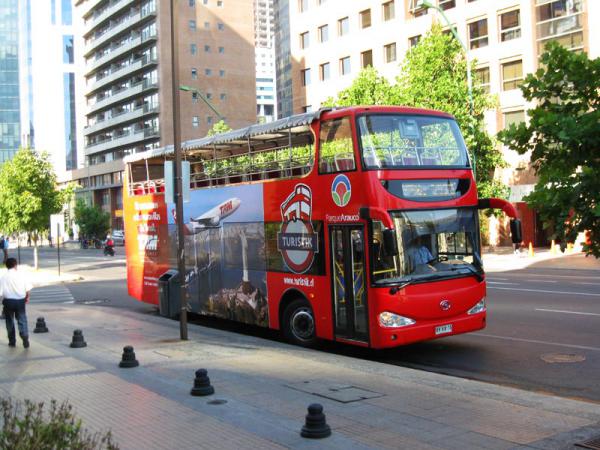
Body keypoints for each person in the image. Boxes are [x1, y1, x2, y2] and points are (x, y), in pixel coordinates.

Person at [1, 258, 33, 348]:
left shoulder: (3, 277)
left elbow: (0, 293)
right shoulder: (21, 275)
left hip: (8, 301)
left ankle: (12, 341)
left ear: (7, 266)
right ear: (15, 265)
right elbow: (27, 288)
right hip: (20, 301)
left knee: (9, 321)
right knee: (22, 319)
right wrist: (27, 297)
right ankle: (24, 336)